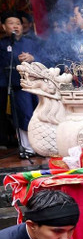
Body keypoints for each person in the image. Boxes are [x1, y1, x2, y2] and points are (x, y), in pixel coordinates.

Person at [0, 11, 40, 156]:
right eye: (11, 23)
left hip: (35, 85)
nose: (15, 26)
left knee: (37, 114)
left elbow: (47, 58)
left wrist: (33, 57)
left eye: (18, 23)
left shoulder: (31, 43)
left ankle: (40, 146)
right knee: (23, 115)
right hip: (15, 86)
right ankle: (27, 147)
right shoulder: (2, 45)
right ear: (4, 27)